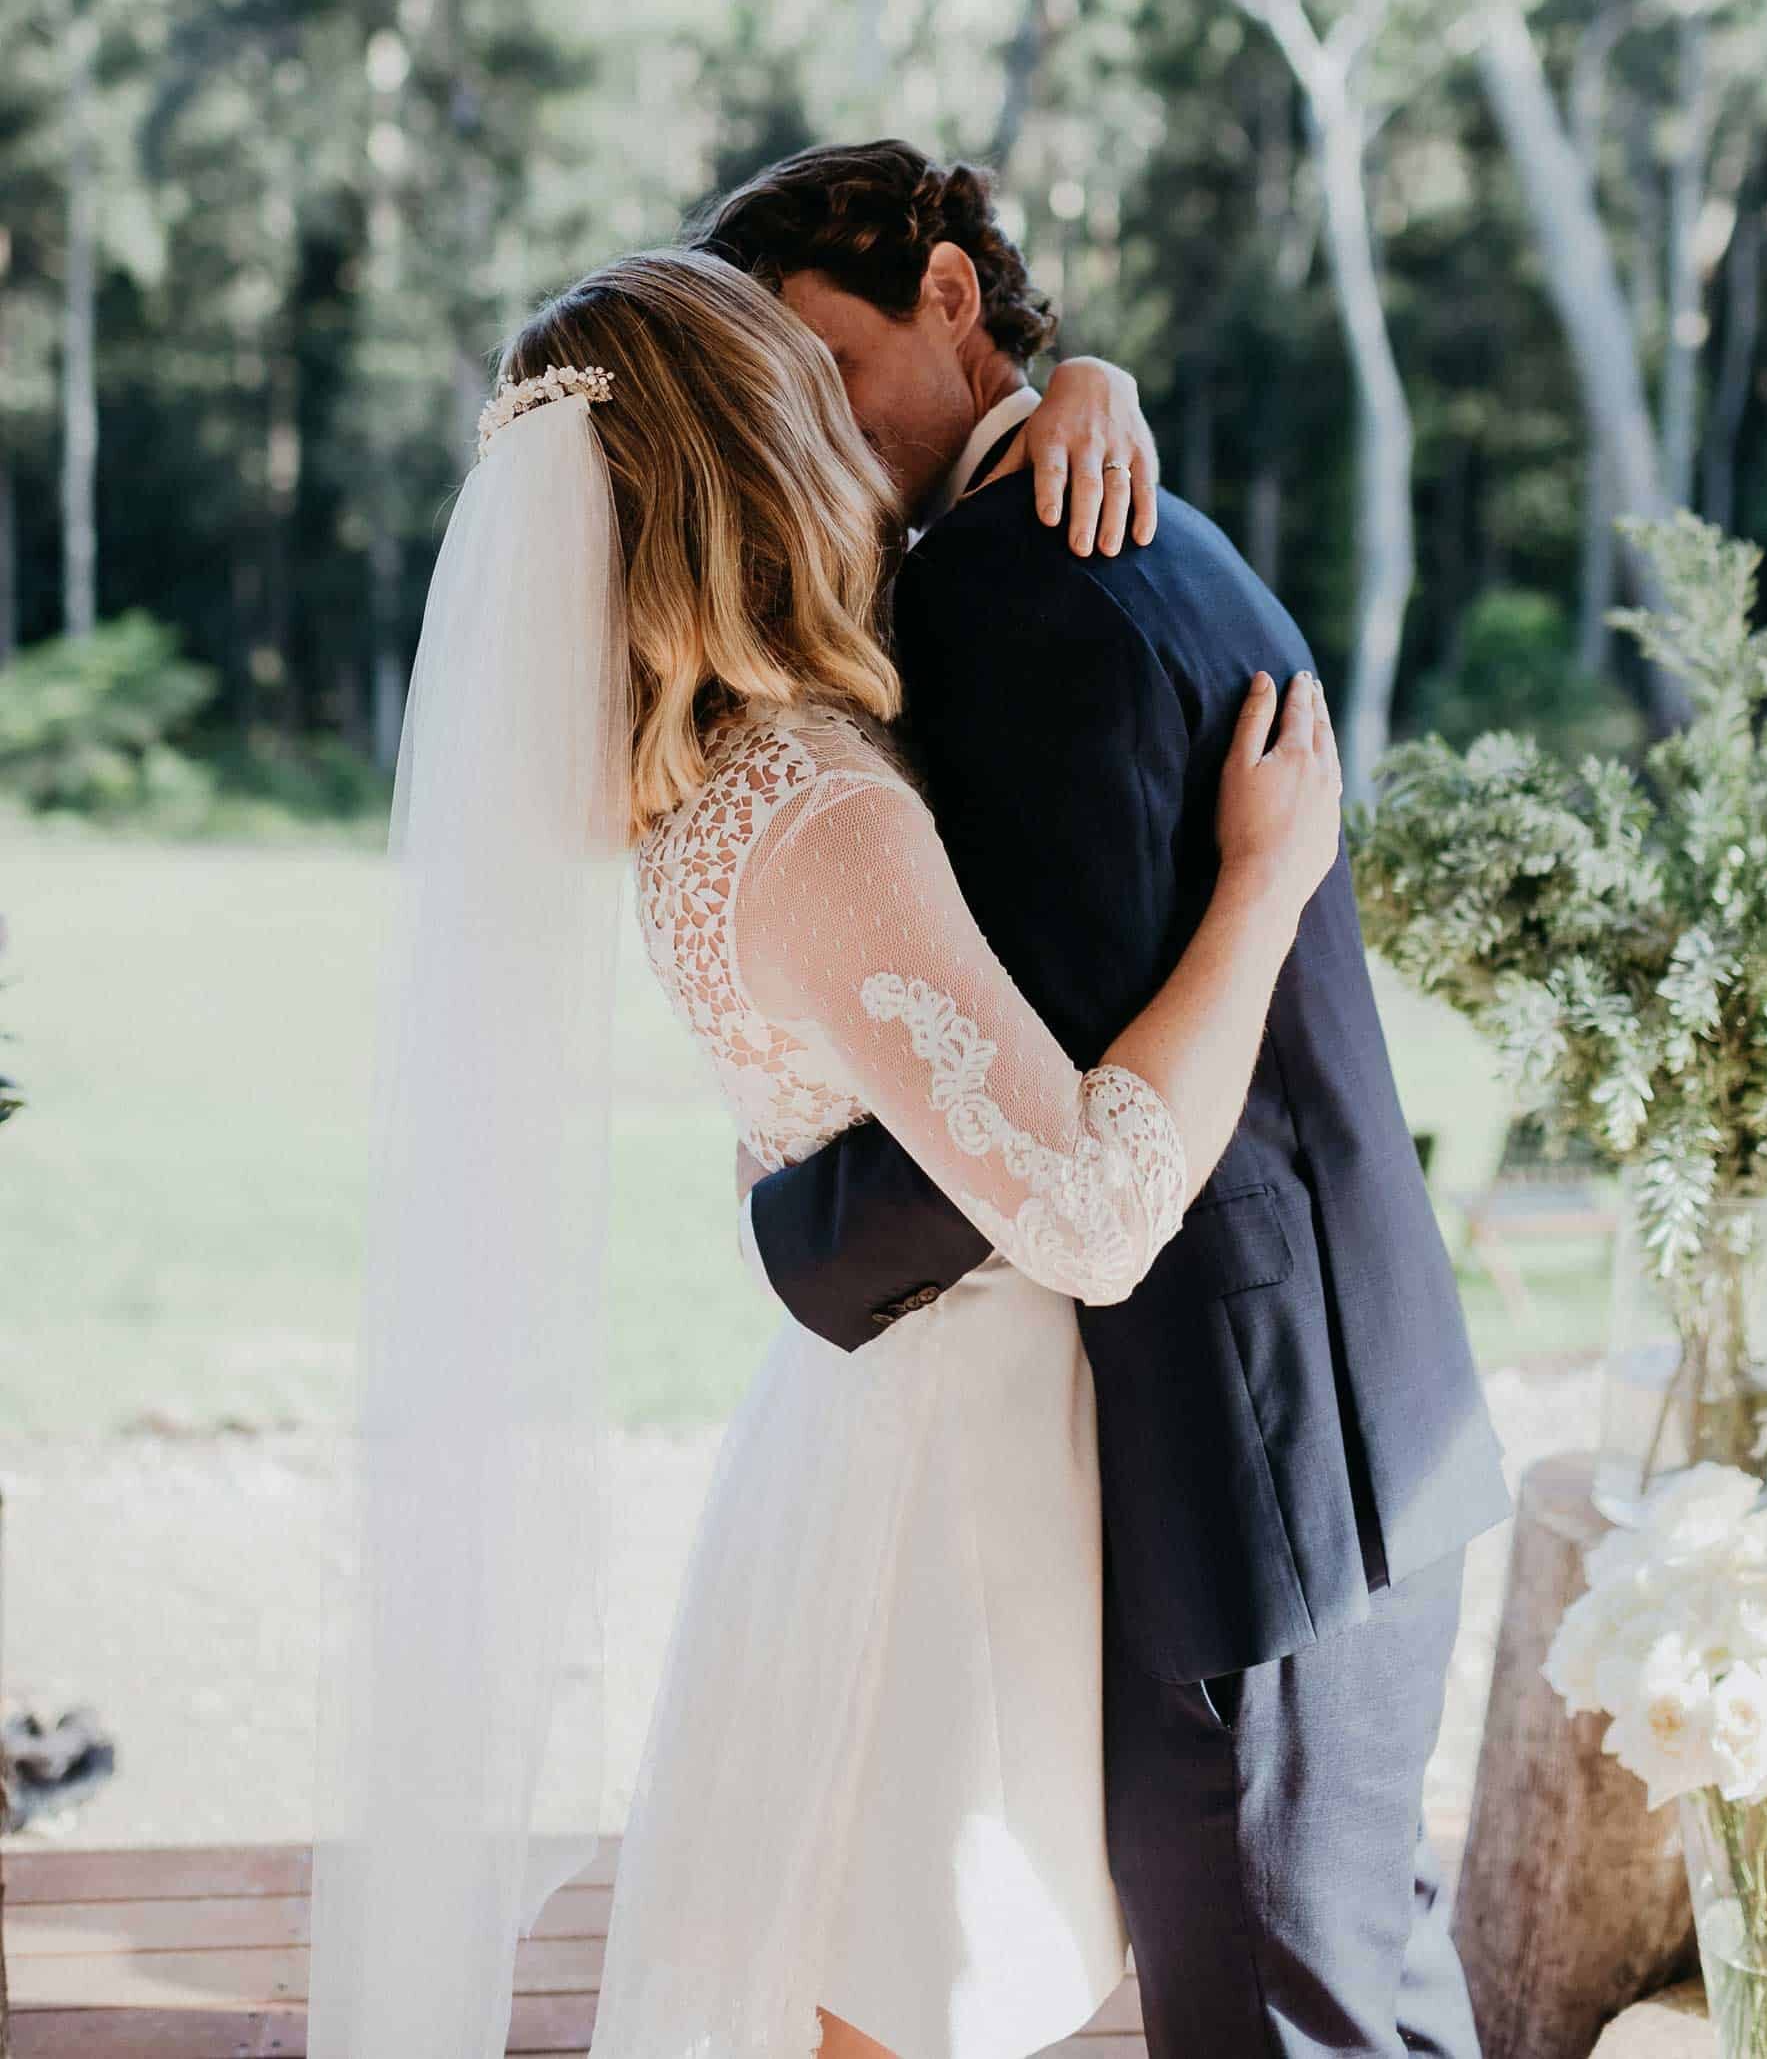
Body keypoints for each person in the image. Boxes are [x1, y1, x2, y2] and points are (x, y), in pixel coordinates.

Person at [307, 245, 1343, 2059]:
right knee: (896, 2000)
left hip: (866, 1435)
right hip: (945, 1492)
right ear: (754, 458)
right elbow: (1094, 1212)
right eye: (804, 394)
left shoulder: (724, 789)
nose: (849, 423)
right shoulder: (820, 811)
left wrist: (1078, 383)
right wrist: (1263, 887)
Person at [692, 140, 1516, 2059]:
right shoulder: (1126, 516)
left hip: (1251, 1453)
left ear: (952, 299)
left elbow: (1029, 1123)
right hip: (1349, 1396)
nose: (805, 419)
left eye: (824, 359)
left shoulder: (1018, 590)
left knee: (1283, 2016)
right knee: (1361, 1989)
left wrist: (799, 1215)